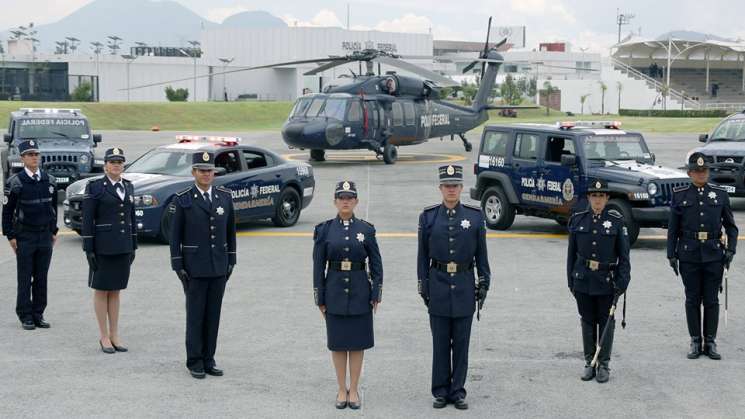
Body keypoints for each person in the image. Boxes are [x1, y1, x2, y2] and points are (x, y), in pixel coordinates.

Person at [417, 165, 490, 410]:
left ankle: (457, 391)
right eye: (447, 186)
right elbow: (422, 257)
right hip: (437, 284)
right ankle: (440, 390)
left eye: (455, 186)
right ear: (440, 188)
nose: (451, 190)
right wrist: (423, 286)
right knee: (440, 342)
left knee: (461, 343)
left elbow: (482, 256)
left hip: (464, 286)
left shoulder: (475, 216)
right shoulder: (428, 217)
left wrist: (484, 283)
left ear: (460, 188)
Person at [313, 181, 383, 410]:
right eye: (341, 197)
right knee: (338, 343)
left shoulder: (366, 230)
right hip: (333, 291)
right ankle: (341, 389)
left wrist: (376, 293)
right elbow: (318, 266)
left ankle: (354, 389)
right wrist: (319, 297)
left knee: (357, 343)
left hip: (360, 292)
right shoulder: (324, 230)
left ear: (356, 202)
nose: (345, 201)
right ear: (335, 201)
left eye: (349, 198)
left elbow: (376, 264)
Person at [170, 151, 236, 379]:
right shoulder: (183, 199)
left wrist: (231, 259)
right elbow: (175, 235)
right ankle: (195, 360)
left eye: (209, 171)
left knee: (213, 315)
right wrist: (177, 265)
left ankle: (209, 358)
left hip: (218, 265)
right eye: (201, 170)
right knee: (196, 315)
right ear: (193, 173)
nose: (206, 174)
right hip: (194, 267)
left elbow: (230, 232)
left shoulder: (224, 197)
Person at [667, 152, 737, 360]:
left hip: (713, 254)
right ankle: (695, 340)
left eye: (704, 171)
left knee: (711, 300)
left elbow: (731, 227)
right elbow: (673, 229)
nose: (701, 174)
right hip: (689, 254)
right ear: (690, 173)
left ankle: (711, 341)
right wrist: (671, 254)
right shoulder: (680, 195)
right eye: (697, 171)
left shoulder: (720, 194)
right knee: (692, 299)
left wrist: (731, 250)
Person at [567, 179, 630, 383]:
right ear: (588, 197)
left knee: (605, 322)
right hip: (583, 279)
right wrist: (571, 281)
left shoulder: (616, 221)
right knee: (586, 321)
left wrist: (622, 281)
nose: (597, 200)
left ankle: (603, 364)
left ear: (607, 198)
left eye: (601, 196)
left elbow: (624, 257)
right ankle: (589, 362)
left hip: (606, 281)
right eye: (594, 196)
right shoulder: (578, 220)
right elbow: (571, 256)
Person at [81, 147, 137, 353]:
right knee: (102, 289)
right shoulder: (95, 187)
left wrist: (133, 245)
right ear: (105, 165)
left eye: (120, 162)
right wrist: (89, 248)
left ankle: (115, 334)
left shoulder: (128, 186)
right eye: (112, 162)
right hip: (103, 246)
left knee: (116, 290)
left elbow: (131, 218)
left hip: (123, 246)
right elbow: (88, 220)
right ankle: (103, 336)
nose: (116, 165)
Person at [2, 140, 58, 330]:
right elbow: (7, 212)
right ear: (22, 158)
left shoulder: (49, 179)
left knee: (42, 277)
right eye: (30, 154)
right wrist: (10, 236)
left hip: (44, 236)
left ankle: (38, 313)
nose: (34, 157)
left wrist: (54, 230)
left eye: (36, 154)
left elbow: (52, 207)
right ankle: (25, 315)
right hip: (25, 235)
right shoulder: (15, 182)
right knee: (25, 277)